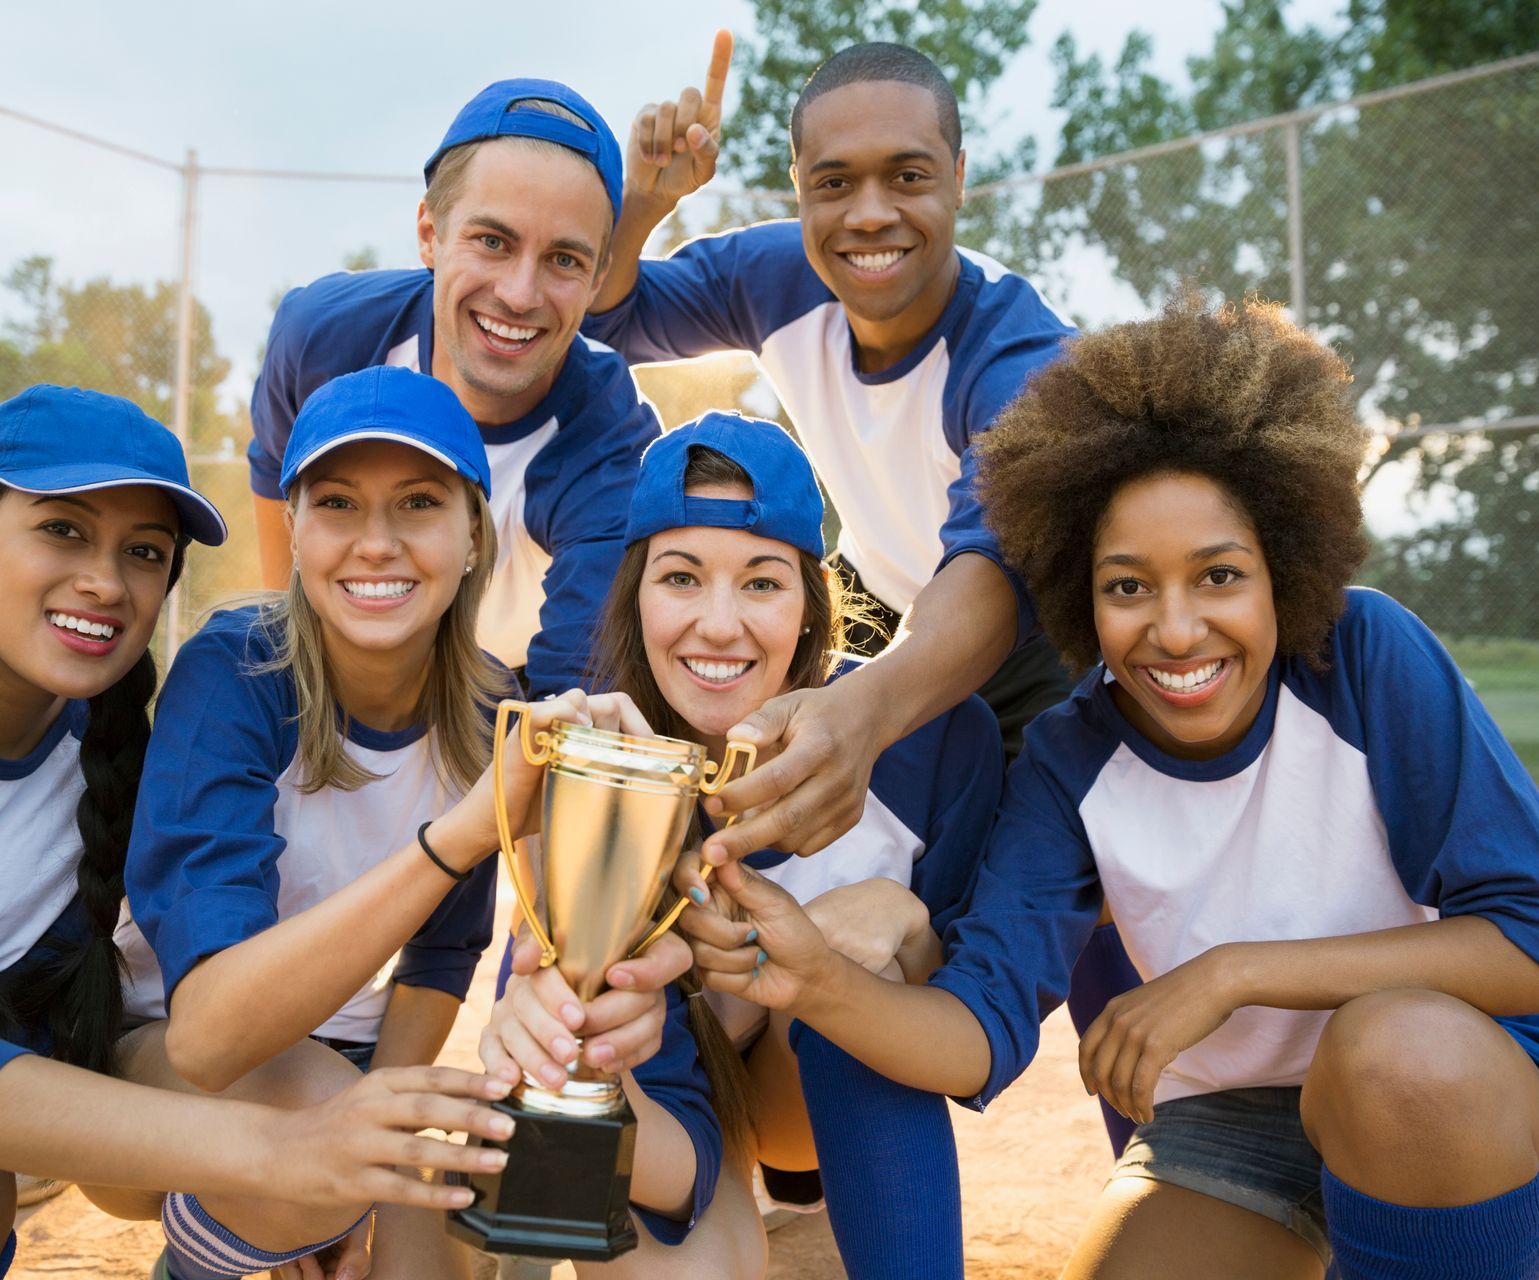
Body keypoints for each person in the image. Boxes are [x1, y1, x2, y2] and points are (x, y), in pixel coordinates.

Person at [679, 296, 1539, 1279]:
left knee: (1394, 1050)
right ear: (1082, 594)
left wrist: (1233, 971)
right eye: (1128, 585)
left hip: (1456, 1092)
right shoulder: (1073, 759)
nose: (1177, 627)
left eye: (1219, 575)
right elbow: (977, 1034)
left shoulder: (1366, 658)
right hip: (1230, 1126)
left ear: (1282, 568)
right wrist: (813, 977)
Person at [0, 386, 512, 1278]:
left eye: (145, 552)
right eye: (63, 530)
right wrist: (289, 1155)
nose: (106, 583)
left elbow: (21, 1028)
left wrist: (325, 1177)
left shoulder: (109, 757)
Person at [99, 366, 706, 1280]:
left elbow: (439, 957)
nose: (375, 543)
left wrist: (368, 1146)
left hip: (345, 1055)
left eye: (418, 503)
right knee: (312, 1118)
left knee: (432, 1220)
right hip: (157, 1062)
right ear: (295, 532)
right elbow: (210, 1036)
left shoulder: (491, 706)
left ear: (472, 538)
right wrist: (463, 830)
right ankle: (207, 1263)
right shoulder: (236, 671)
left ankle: (309, 1201)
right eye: (337, 503)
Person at [492, 413, 1003, 1279]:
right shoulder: (598, 759)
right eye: (681, 577)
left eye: (762, 583)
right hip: (673, 1108)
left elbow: (963, 1012)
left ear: (811, 602)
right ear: (634, 595)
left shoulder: (932, 740)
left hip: (813, 1093)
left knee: (863, 965)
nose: (718, 625)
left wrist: (903, 919)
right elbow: (555, 1082)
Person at [586, 37, 1078, 875]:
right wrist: (639, 205)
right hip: (875, 596)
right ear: (801, 190)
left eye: (909, 175)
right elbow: (608, 315)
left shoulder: (1018, 361)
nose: (870, 213)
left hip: (1019, 633)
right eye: (836, 182)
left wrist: (863, 712)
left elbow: (992, 569)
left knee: (997, 888)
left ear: (959, 177)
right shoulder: (776, 276)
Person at [248, 77, 660, 698]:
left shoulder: (610, 437)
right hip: (346, 655)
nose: (520, 294)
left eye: (564, 260)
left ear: (601, 274)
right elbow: (277, 494)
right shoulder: (326, 339)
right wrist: (297, 679)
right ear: (429, 234)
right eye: (492, 241)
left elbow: (573, 696)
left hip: (507, 686)